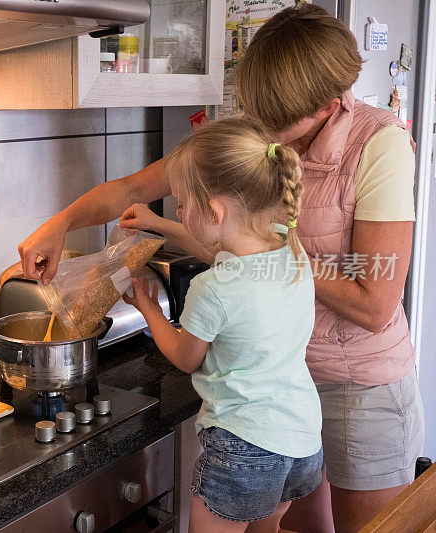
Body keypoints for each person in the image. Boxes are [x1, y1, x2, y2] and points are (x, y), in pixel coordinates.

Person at [18, 5, 424, 532]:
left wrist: (271, 262)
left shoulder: (378, 146)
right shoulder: (261, 137)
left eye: (280, 121)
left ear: (328, 105)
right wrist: (60, 223)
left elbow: (375, 304)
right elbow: (135, 189)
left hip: (357, 385)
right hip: (283, 377)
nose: (266, 132)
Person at [122, 117, 322, 532]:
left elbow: (185, 357)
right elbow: (223, 251)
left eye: (180, 204)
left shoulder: (210, 288)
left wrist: (150, 310)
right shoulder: (291, 254)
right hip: (302, 440)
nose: (177, 211)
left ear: (214, 210)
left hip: (245, 446)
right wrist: (155, 223)